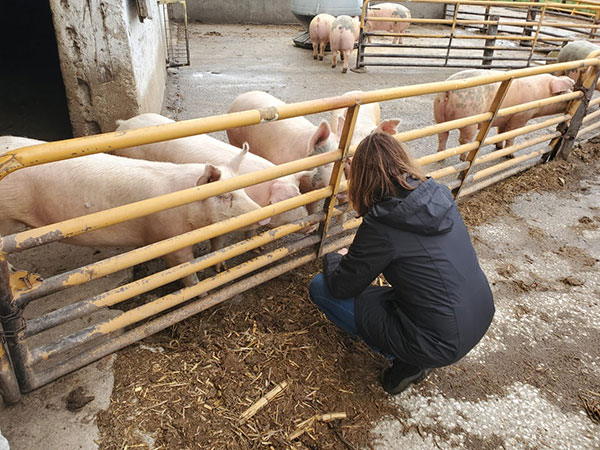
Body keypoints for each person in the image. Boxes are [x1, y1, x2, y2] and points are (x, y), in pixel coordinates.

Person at [309, 132, 495, 395]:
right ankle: (420, 349)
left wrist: (334, 258)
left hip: (441, 341)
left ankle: (409, 362)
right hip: (479, 313)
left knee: (320, 287)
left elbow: (341, 286)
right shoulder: (437, 194)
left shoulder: (383, 223)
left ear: (359, 176)